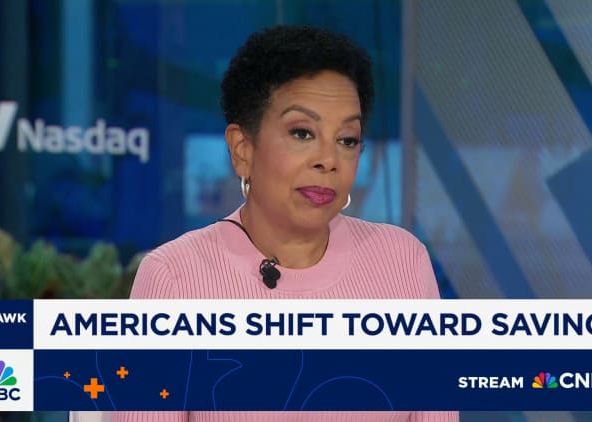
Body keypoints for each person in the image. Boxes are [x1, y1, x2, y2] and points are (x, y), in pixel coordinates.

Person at [75, 25, 457, 422]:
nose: (329, 160)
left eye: (347, 139)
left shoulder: (403, 263)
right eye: (302, 133)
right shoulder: (175, 278)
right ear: (243, 149)